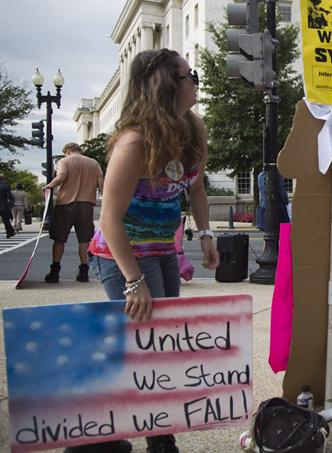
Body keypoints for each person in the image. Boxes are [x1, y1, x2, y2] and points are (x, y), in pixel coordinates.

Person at [84, 48, 220, 453]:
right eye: (188, 74)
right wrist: (133, 281)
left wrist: (207, 234)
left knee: (163, 346)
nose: (195, 80)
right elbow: (109, 219)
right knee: (146, 348)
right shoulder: (134, 142)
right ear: (165, 83)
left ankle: (159, 434)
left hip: (162, 250)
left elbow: (195, 188)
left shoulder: (192, 130)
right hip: (122, 256)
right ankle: (136, 437)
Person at [43, 143, 104, 283]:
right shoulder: (94, 163)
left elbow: (61, 177)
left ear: (68, 151)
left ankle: (54, 272)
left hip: (65, 204)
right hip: (86, 205)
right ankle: (84, 273)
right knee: (84, 240)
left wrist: (49, 186)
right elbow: (101, 183)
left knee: (59, 239)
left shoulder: (64, 161)